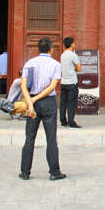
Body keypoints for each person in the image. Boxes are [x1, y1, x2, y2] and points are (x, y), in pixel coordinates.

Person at [19, 37, 66, 181]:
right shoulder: (56, 64)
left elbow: (23, 85)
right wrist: (34, 99)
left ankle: (25, 172)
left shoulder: (29, 63)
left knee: (29, 138)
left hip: (32, 102)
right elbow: (52, 87)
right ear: (51, 49)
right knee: (51, 139)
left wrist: (30, 101)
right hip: (48, 103)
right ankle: (54, 172)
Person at [60, 37, 82, 129]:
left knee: (63, 102)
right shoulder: (73, 55)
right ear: (72, 44)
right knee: (71, 103)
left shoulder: (63, 54)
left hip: (63, 81)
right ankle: (71, 122)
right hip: (72, 82)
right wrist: (75, 69)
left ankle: (63, 121)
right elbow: (79, 68)